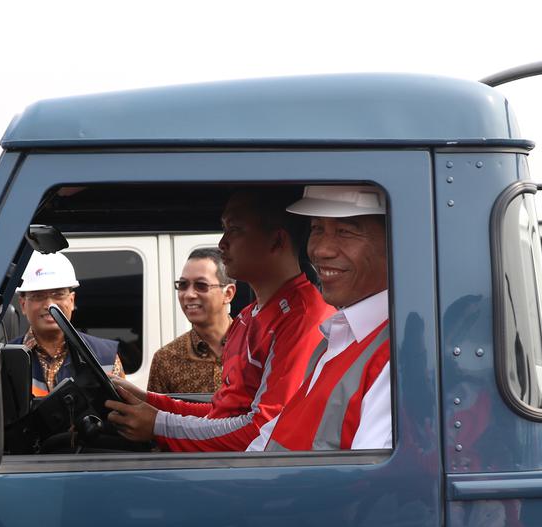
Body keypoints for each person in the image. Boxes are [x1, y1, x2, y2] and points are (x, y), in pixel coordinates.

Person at [105, 188, 334, 451]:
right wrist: (148, 401)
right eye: (224, 229)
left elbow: (263, 432)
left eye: (234, 229)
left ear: (276, 241)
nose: (222, 243)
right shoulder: (248, 316)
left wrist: (160, 424)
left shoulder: (303, 319)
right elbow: (222, 413)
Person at [248, 185, 392, 451]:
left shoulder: (396, 357)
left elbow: (372, 483)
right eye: (317, 229)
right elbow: (275, 434)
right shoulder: (337, 335)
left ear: (395, 241)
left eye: (345, 232)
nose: (321, 250)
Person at [11, 251, 124, 397]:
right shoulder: (5, 359)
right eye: (38, 296)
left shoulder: (106, 356)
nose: (49, 304)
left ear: (71, 301)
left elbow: (122, 415)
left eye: (58, 294)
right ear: (23, 304)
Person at [146, 247, 235, 394]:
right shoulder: (166, 359)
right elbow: (154, 415)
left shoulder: (254, 347)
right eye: (183, 285)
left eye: (201, 285)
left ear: (228, 294)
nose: (189, 294)